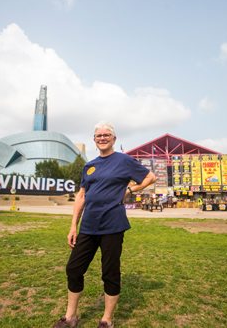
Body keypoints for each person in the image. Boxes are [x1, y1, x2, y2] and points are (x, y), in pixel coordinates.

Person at [54, 122, 156, 328]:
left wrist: (130, 190)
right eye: (98, 135)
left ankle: (106, 320)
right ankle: (70, 317)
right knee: (73, 269)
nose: (102, 138)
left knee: (109, 272)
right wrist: (73, 225)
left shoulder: (124, 160)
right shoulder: (89, 166)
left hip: (113, 225)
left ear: (114, 139)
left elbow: (150, 177)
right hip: (88, 226)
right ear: (94, 140)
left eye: (106, 135)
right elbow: (81, 195)